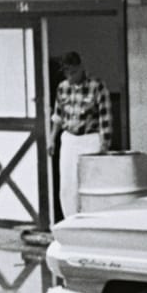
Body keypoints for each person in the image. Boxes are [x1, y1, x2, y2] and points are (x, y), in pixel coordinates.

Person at [50, 51, 112, 216]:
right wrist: (52, 139)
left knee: (90, 183)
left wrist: (104, 145)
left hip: (90, 139)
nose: (70, 76)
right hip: (69, 139)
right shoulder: (62, 87)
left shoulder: (97, 86)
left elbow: (105, 118)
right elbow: (58, 116)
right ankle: (70, 219)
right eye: (67, 73)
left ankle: (92, 218)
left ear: (81, 67)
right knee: (67, 184)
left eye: (74, 72)